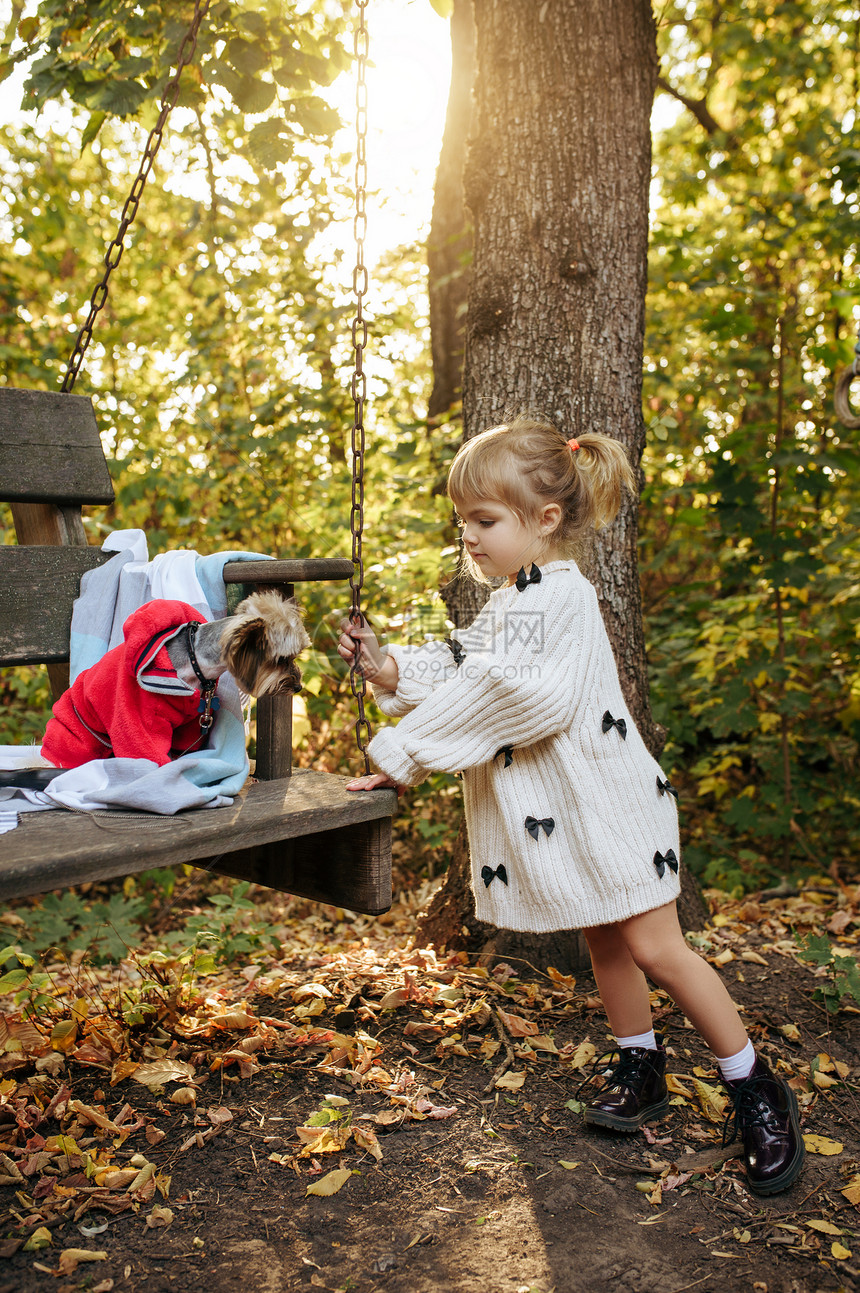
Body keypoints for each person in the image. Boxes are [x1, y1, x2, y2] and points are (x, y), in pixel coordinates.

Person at [337, 414, 804, 1198]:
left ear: (545, 519)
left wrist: (405, 749)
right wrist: (391, 672)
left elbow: (515, 694)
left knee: (658, 947)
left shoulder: (558, 597)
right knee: (605, 941)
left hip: (613, 807)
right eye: (464, 524)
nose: (471, 539)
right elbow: (469, 664)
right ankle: (640, 1063)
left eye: (485, 521)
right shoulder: (519, 598)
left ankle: (755, 1087)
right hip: (579, 817)